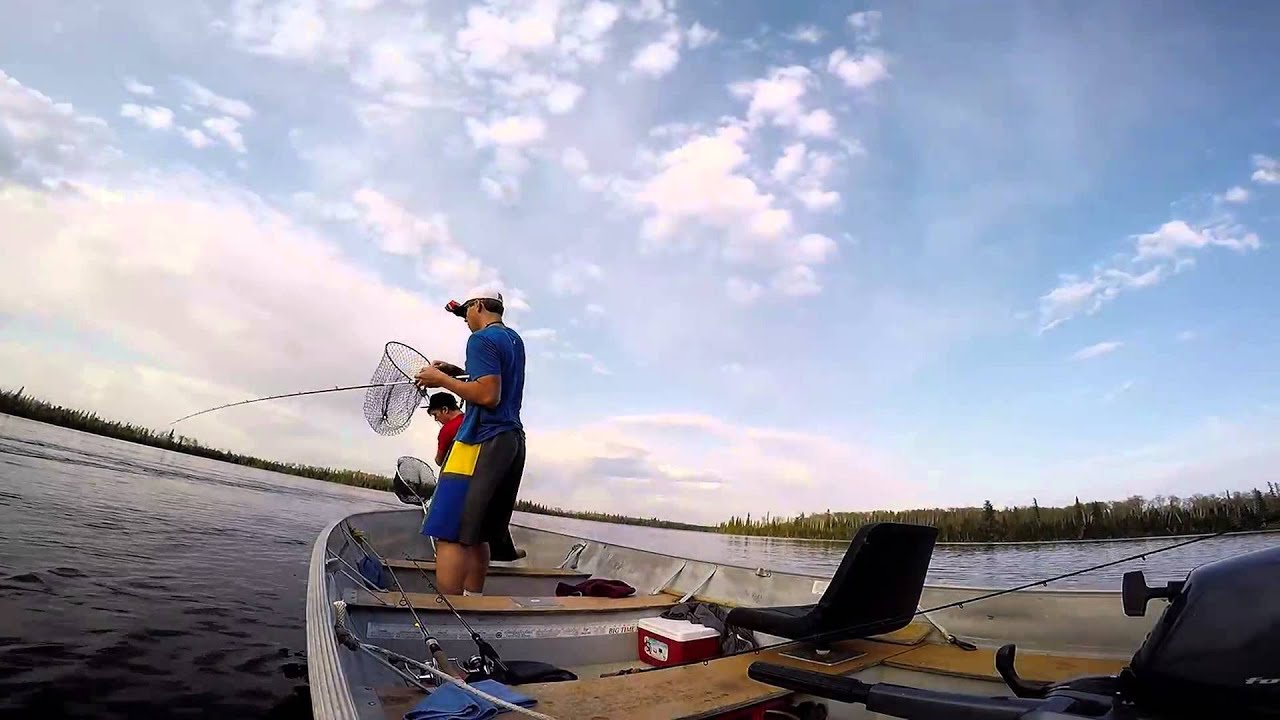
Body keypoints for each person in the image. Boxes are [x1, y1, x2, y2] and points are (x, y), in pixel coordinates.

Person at [414, 287, 526, 596]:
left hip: (481, 440)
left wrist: (441, 381)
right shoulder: (513, 339)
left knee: (449, 532)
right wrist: (457, 373)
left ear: (478, 306)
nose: (465, 320)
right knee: (479, 533)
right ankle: (473, 603)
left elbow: (489, 395)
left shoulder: (480, 339)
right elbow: (495, 381)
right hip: (511, 441)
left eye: (465, 313)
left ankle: (447, 612)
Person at [425, 392, 464, 468]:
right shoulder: (471, 419)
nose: (436, 419)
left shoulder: (447, 430)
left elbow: (439, 461)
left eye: (435, 415)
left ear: (445, 409)